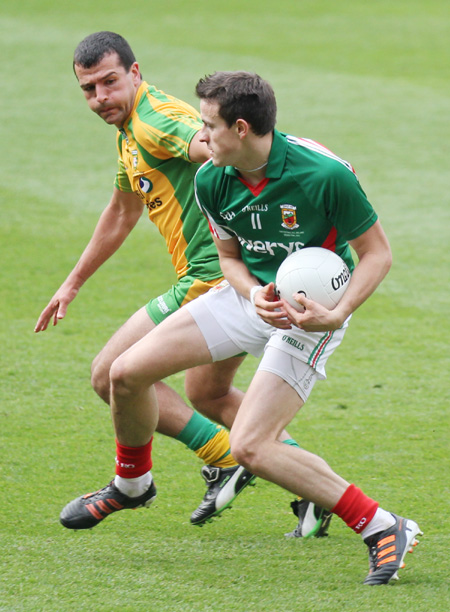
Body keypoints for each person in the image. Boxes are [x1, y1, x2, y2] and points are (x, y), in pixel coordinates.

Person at [60, 70, 422, 585]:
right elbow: (228, 257)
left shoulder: (325, 174)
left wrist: (337, 313)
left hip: (312, 316)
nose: (200, 137)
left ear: (243, 128)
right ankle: (133, 484)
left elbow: (376, 254)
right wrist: (253, 293)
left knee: (252, 445)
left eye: (208, 126)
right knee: (123, 372)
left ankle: (382, 525)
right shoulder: (213, 178)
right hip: (248, 298)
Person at [34, 32, 327, 535]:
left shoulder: (155, 121)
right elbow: (121, 211)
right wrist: (73, 282)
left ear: (135, 73)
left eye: (109, 82)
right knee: (208, 394)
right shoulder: (130, 130)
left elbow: (210, 145)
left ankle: (142, 481)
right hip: (215, 275)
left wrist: (286, 155)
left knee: (112, 373)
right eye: (89, 89)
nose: (101, 98)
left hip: (212, 276)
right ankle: (311, 487)